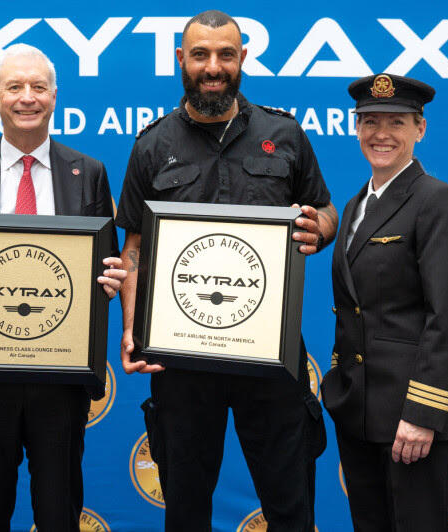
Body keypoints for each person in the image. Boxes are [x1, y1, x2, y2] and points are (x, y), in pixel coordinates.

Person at [115, 10, 338, 532]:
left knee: (291, 506)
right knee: (186, 509)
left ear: (242, 59)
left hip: (271, 354)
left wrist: (320, 228)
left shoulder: (285, 133)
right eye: (200, 55)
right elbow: (135, 248)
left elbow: (325, 209)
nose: (212, 67)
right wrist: (131, 328)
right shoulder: (152, 145)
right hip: (182, 359)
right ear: (181, 60)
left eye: (225, 55)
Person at [0, 44, 126, 532]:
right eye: (15, 87)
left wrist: (109, 282)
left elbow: (105, 263)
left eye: (38, 87)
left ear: (55, 96)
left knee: (59, 513)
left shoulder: (89, 173)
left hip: (61, 377)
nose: (27, 97)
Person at [320, 73, 448, 531]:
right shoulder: (354, 207)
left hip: (413, 419)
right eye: (370, 122)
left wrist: (422, 414)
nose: (381, 134)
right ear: (356, 128)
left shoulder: (439, 201)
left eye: (396, 122)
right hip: (359, 414)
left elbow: (446, 319)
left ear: (419, 129)